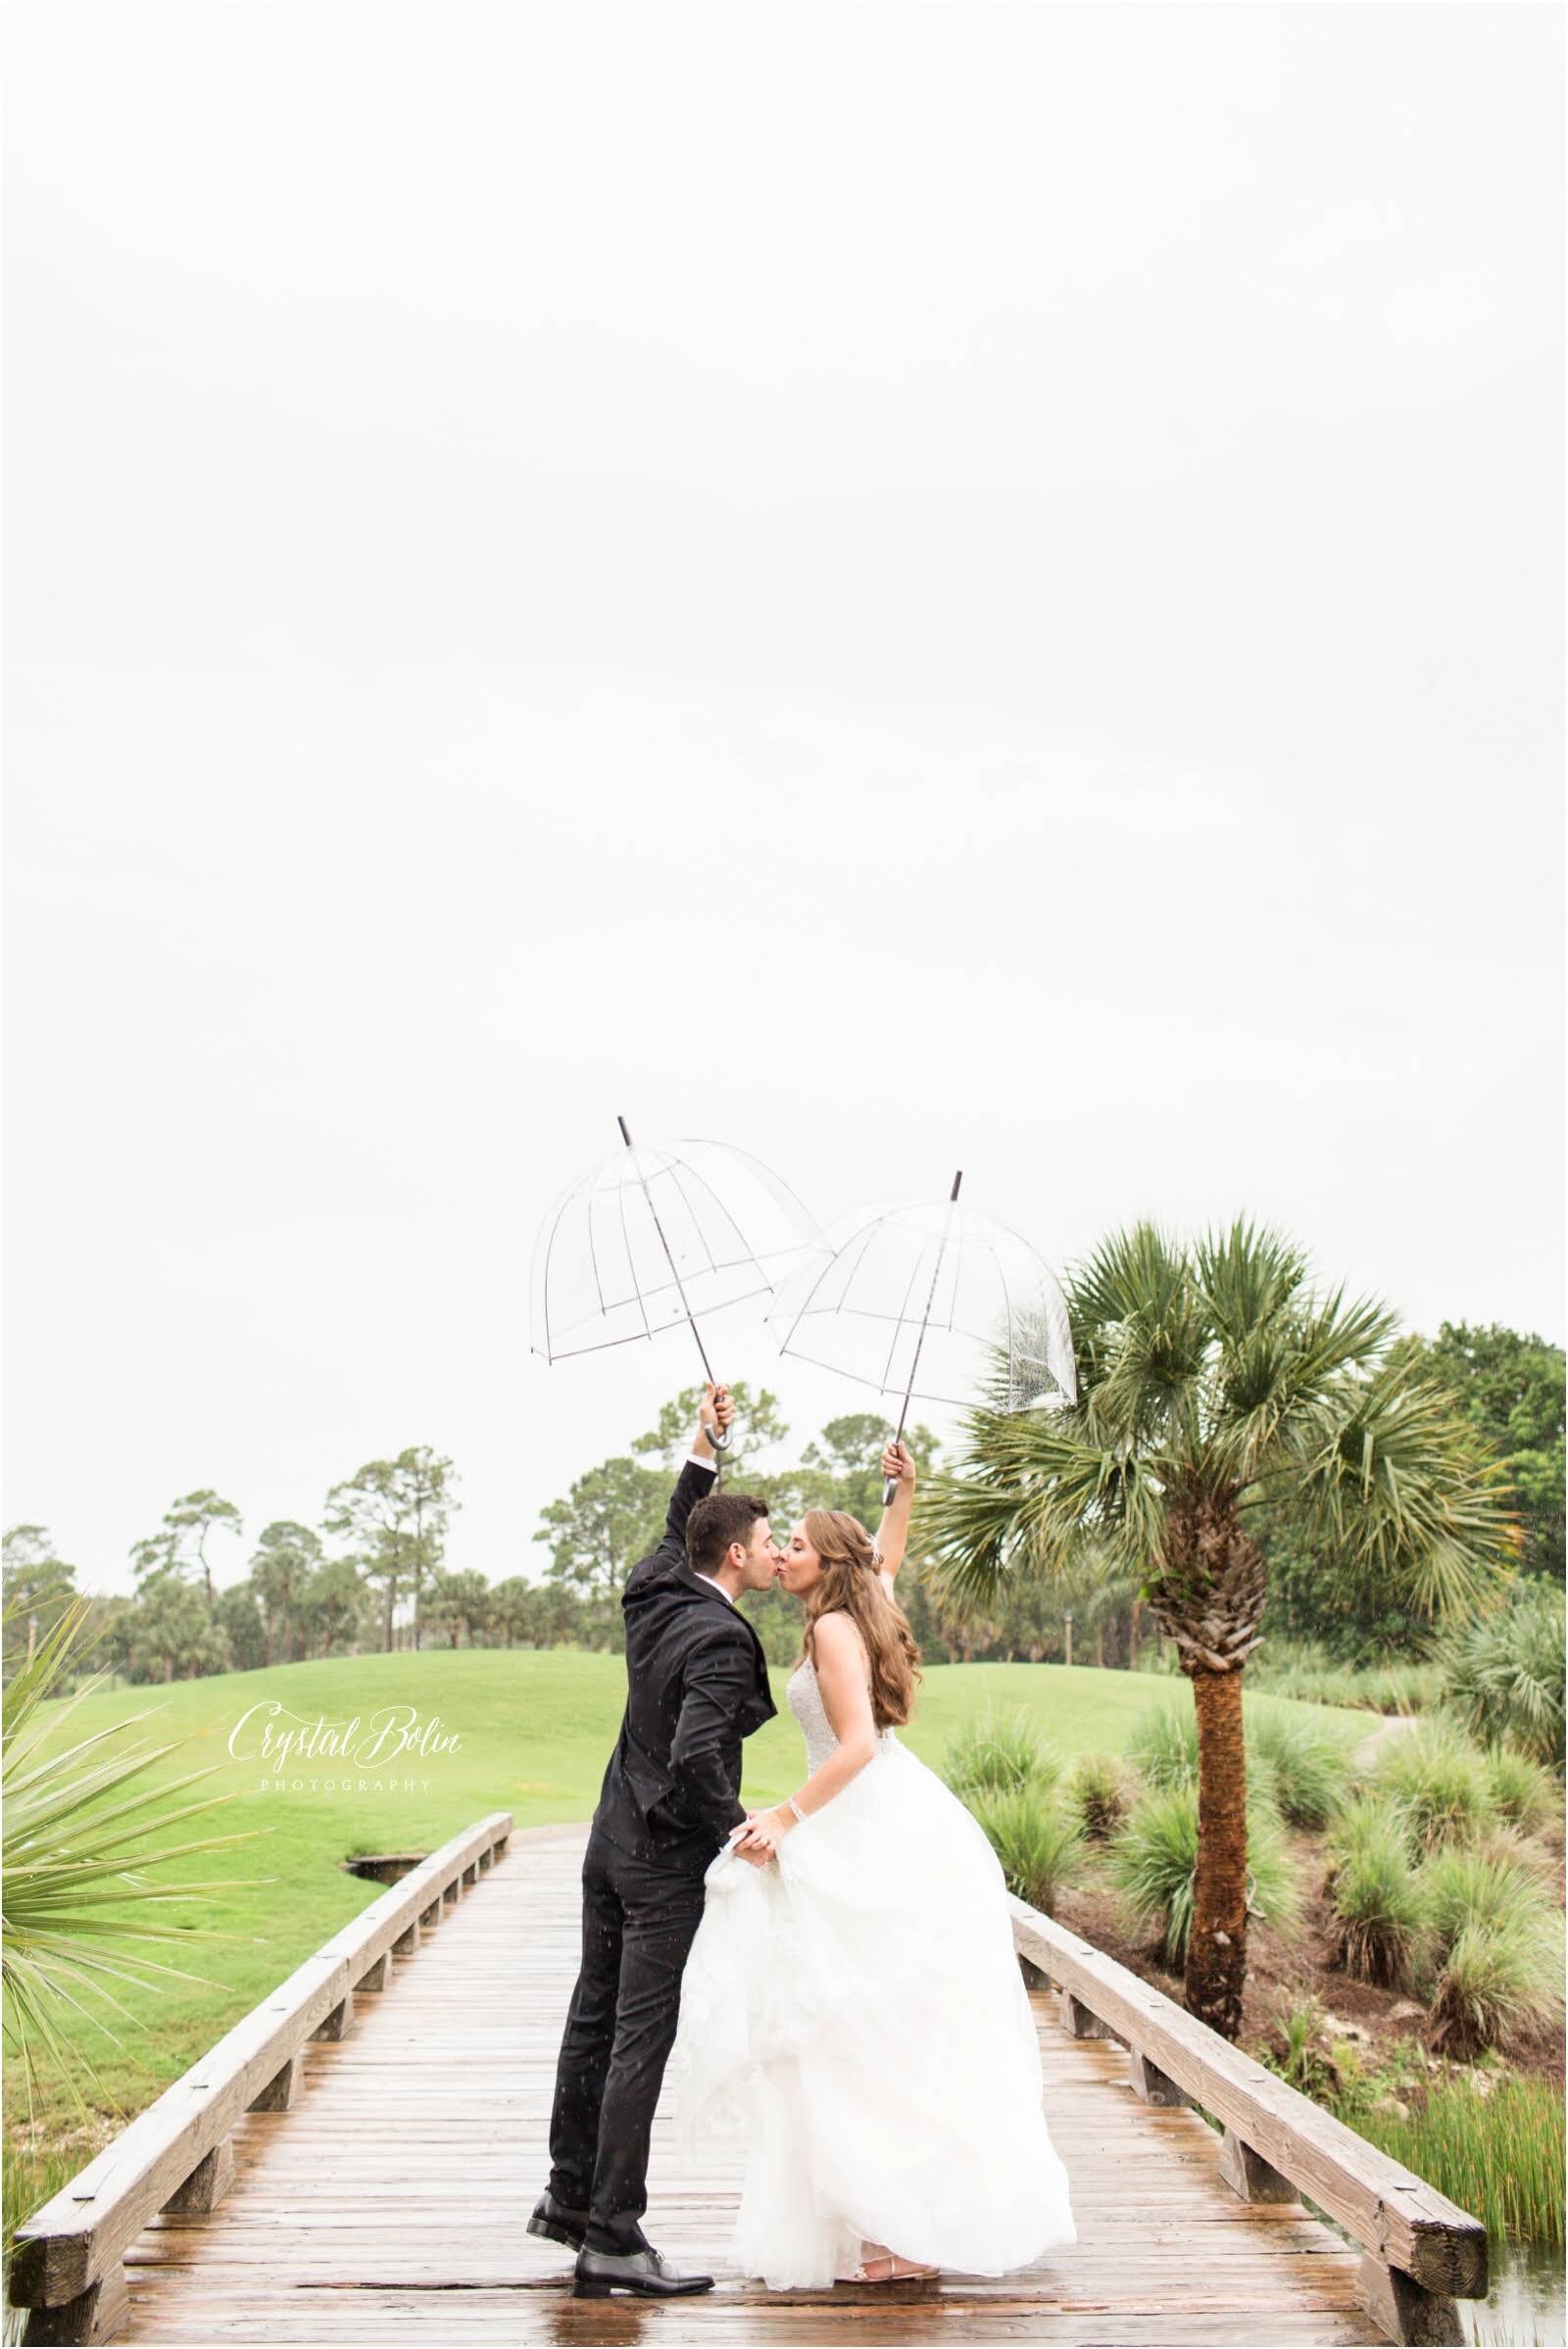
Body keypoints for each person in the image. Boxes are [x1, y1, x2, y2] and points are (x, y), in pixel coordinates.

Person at [667, 1439, 1077, 2289]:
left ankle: (906, 2227)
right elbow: (885, 1553)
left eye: (799, 1547)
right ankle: (893, 2220)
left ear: (825, 1566)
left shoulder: (832, 1628)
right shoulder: (861, 1602)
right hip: (878, 1816)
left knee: (862, 2023)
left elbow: (855, 1744)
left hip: (871, 1824)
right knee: (863, 2022)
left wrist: (782, 1815)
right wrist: (905, 1488)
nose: (785, 1554)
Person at [529, 1383, 780, 2300]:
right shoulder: (716, 1635)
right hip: (663, 1858)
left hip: (605, 1842)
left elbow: (683, 1526)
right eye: (763, 1540)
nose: (770, 1549)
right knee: (641, 2035)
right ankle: (614, 2234)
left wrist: (705, 1447)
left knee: (591, 2016)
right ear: (740, 1555)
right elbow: (698, 1755)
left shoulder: (654, 1588)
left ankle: (569, 2197)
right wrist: (739, 1831)